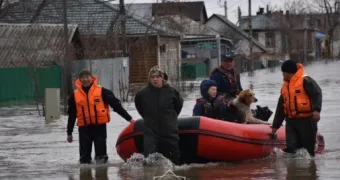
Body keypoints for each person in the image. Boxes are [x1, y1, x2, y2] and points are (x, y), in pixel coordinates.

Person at [66, 69, 134, 164]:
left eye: (87, 77)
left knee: (101, 159)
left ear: (91, 78)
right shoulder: (74, 95)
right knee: (84, 160)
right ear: (80, 80)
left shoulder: (102, 91)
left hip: (99, 128)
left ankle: (102, 175)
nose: (85, 79)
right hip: (84, 129)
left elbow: (117, 106)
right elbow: (72, 115)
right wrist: (69, 133)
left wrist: (130, 120)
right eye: (83, 77)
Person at [269, 60, 322, 157]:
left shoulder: (305, 80)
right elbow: (281, 107)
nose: (282, 75)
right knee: (291, 149)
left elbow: (317, 94)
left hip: (306, 120)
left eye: (283, 72)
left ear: (288, 72)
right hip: (291, 121)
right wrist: (275, 126)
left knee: (309, 151)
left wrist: (317, 110)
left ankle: (310, 170)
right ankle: (293, 170)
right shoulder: (285, 86)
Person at [134, 66, 183, 165]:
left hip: (169, 132)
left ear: (162, 78)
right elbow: (140, 108)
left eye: (158, 77)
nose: (155, 79)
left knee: (174, 162)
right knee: (150, 162)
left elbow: (178, 106)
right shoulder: (142, 93)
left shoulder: (172, 91)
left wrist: (170, 119)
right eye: (152, 77)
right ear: (149, 78)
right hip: (151, 132)